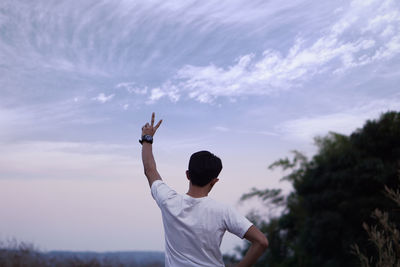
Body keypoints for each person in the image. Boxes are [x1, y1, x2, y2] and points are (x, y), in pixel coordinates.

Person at [140, 113, 268, 267]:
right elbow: (261, 242)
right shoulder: (223, 212)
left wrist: (147, 139)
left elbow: (149, 170)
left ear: (187, 175)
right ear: (214, 181)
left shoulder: (168, 201)